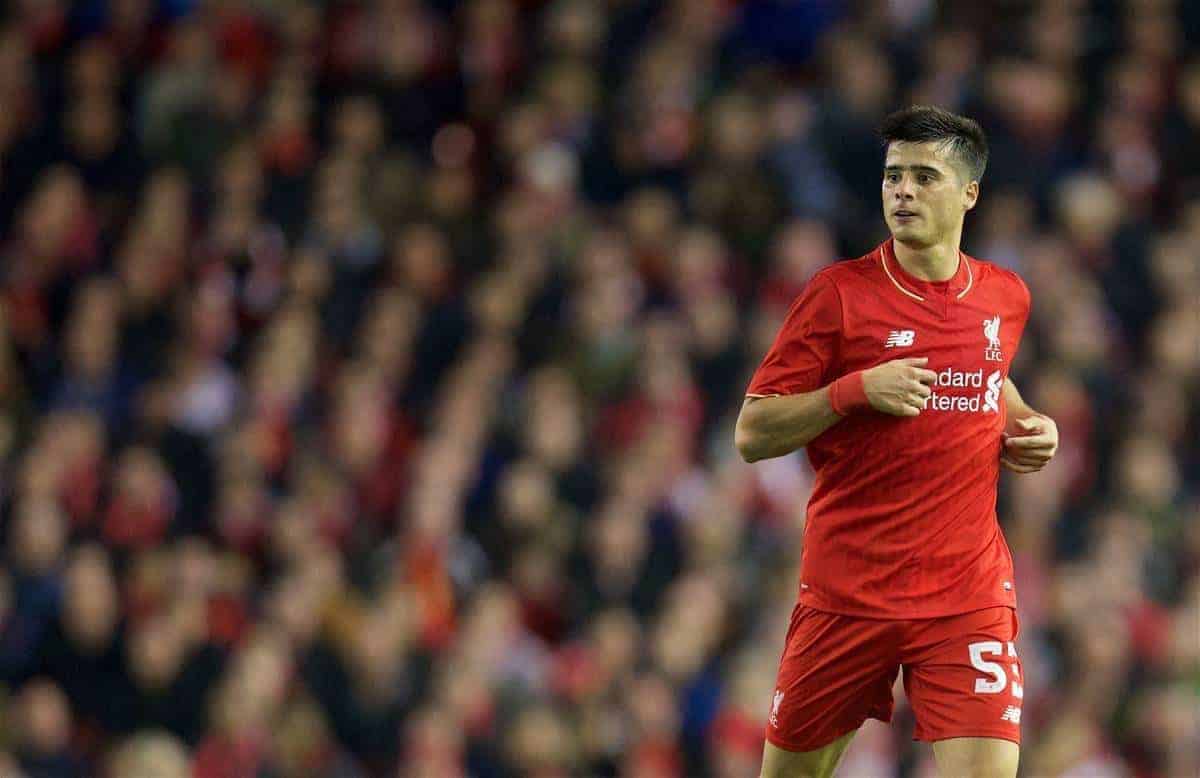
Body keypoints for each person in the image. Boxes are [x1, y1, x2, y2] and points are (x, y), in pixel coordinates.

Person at [735, 105, 1060, 778]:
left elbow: (987, 373)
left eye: (924, 177)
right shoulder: (838, 296)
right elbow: (752, 432)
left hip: (966, 595)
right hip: (848, 593)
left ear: (970, 192)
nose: (903, 191)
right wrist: (853, 392)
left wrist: (1028, 421)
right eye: (893, 177)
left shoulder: (1006, 297)